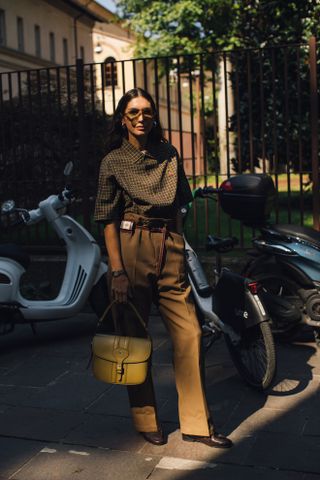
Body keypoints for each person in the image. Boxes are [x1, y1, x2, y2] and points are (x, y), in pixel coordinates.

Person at [94, 87, 232, 449]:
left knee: (190, 333)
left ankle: (198, 424)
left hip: (169, 244)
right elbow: (107, 219)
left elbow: (179, 207)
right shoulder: (112, 161)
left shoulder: (168, 154)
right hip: (130, 245)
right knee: (135, 340)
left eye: (148, 112)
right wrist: (118, 272)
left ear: (154, 118)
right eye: (134, 112)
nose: (142, 118)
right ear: (123, 118)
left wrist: (179, 248)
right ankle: (145, 419)